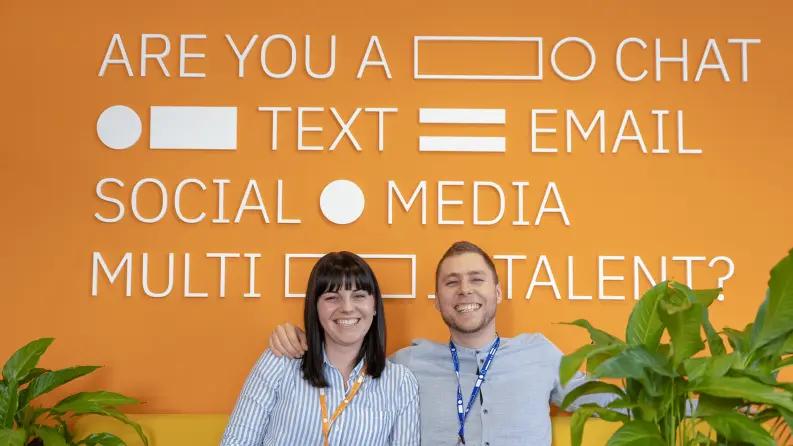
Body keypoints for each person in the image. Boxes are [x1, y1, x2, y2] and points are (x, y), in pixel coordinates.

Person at [269, 242, 611, 446]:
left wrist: (662, 381)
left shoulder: (539, 354)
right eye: (452, 282)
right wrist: (299, 340)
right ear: (437, 300)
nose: (464, 290)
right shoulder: (405, 365)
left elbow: (613, 401)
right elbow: (342, 377)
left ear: (498, 292)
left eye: (476, 279)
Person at [221, 251, 420, 446]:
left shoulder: (400, 383)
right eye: (332, 297)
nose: (347, 307)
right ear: (314, 307)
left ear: (375, 306)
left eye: (359, 296)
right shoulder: (281, 361)